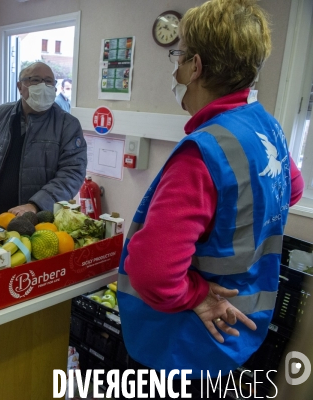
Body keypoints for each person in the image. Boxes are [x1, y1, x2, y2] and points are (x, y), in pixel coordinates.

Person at [117, 0, 304, 398]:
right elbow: (293, 187)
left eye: (178, 56)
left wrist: (199, 295)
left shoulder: (203, 153)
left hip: (181, 350)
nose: (176, 68)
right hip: (241, 336)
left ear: (196, 66)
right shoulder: (265, 125)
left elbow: (152, 272)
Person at [0, 62, 87, 215]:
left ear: (54, 88)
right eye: (35, 80)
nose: (43, 86)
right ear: (20, 87)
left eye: (48, 81)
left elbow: (72, 174)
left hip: (39, 221)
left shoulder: (68, 126)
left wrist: (35, 205)